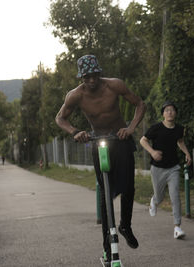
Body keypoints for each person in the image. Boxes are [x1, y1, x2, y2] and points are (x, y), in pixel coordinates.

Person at [55, 54, 146, 264]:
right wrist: (75, 131)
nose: (92, 80)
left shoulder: (115, 85)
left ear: (99, 72)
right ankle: (108, 247)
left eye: (95, 75)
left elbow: (140, 104)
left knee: (128, 187)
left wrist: (130, 128)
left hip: (120, 139)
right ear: (81, 77)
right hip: (98, 142)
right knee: (106, 195)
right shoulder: (75, 95)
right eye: (87, 77)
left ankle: (126, 226)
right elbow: (60, 117)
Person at [139, 101, 192, 239]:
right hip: (157, 169)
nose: (169, 112)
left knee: (175, 196)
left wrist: (187, 153)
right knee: (160, 196)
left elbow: (180, 141)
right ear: (163, 114)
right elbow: (143, 140)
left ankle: (177, 227)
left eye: (172, 110)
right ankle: (154, 201)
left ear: (175, 113)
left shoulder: (179, 129)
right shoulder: (156, 128)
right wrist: (152, 152)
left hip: (173, 168)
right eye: (167, 110)